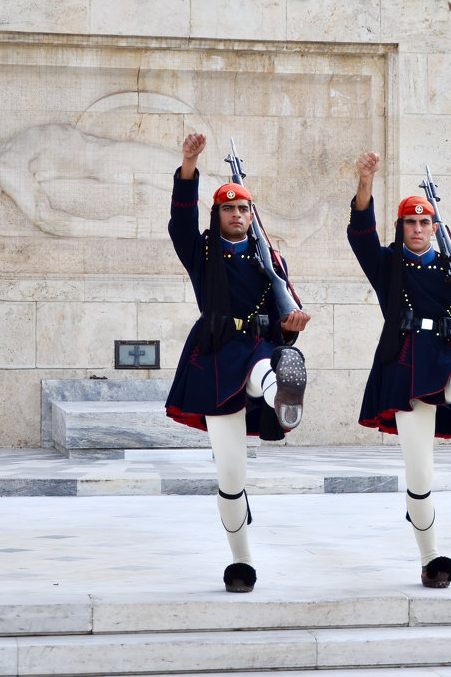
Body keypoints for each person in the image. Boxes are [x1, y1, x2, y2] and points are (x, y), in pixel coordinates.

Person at [347, 151, 451, 589]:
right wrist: (365, 182)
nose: (417, 230)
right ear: (400, 228)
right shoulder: (387, 263)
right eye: (409, 223)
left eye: (424, 223)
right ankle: (430, 556)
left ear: (435, 228)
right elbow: (360, 234)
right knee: (421, 477)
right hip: (406, 367)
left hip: (450, 354)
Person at [164, 132, 310, 593]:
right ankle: (241, 561)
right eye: (228, 209)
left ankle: (281, 392)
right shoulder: (201, 251)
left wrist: (294, 321)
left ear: (252, 215)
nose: (236, 215)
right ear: (218, 213)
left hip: (262, 348)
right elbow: (180, 221)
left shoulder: (271, 257)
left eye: (243, 209)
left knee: (270, 366)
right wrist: (189, 166)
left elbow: (287, 303)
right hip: (216, 355)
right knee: (231, 475)